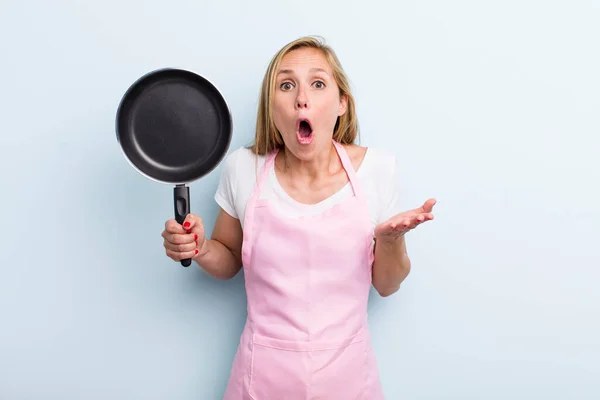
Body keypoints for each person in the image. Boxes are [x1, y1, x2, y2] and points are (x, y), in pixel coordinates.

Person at [161, 36, 436, 399]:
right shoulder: (243, 168)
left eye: (317, 84)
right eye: (286, 84)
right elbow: (228, 258)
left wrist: (390, 241)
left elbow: (387, 285)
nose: (301, 98)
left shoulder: (377, 170)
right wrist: (199, 247)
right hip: (260, 380)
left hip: (348, 380)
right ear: (271, 107)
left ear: (341, 104)